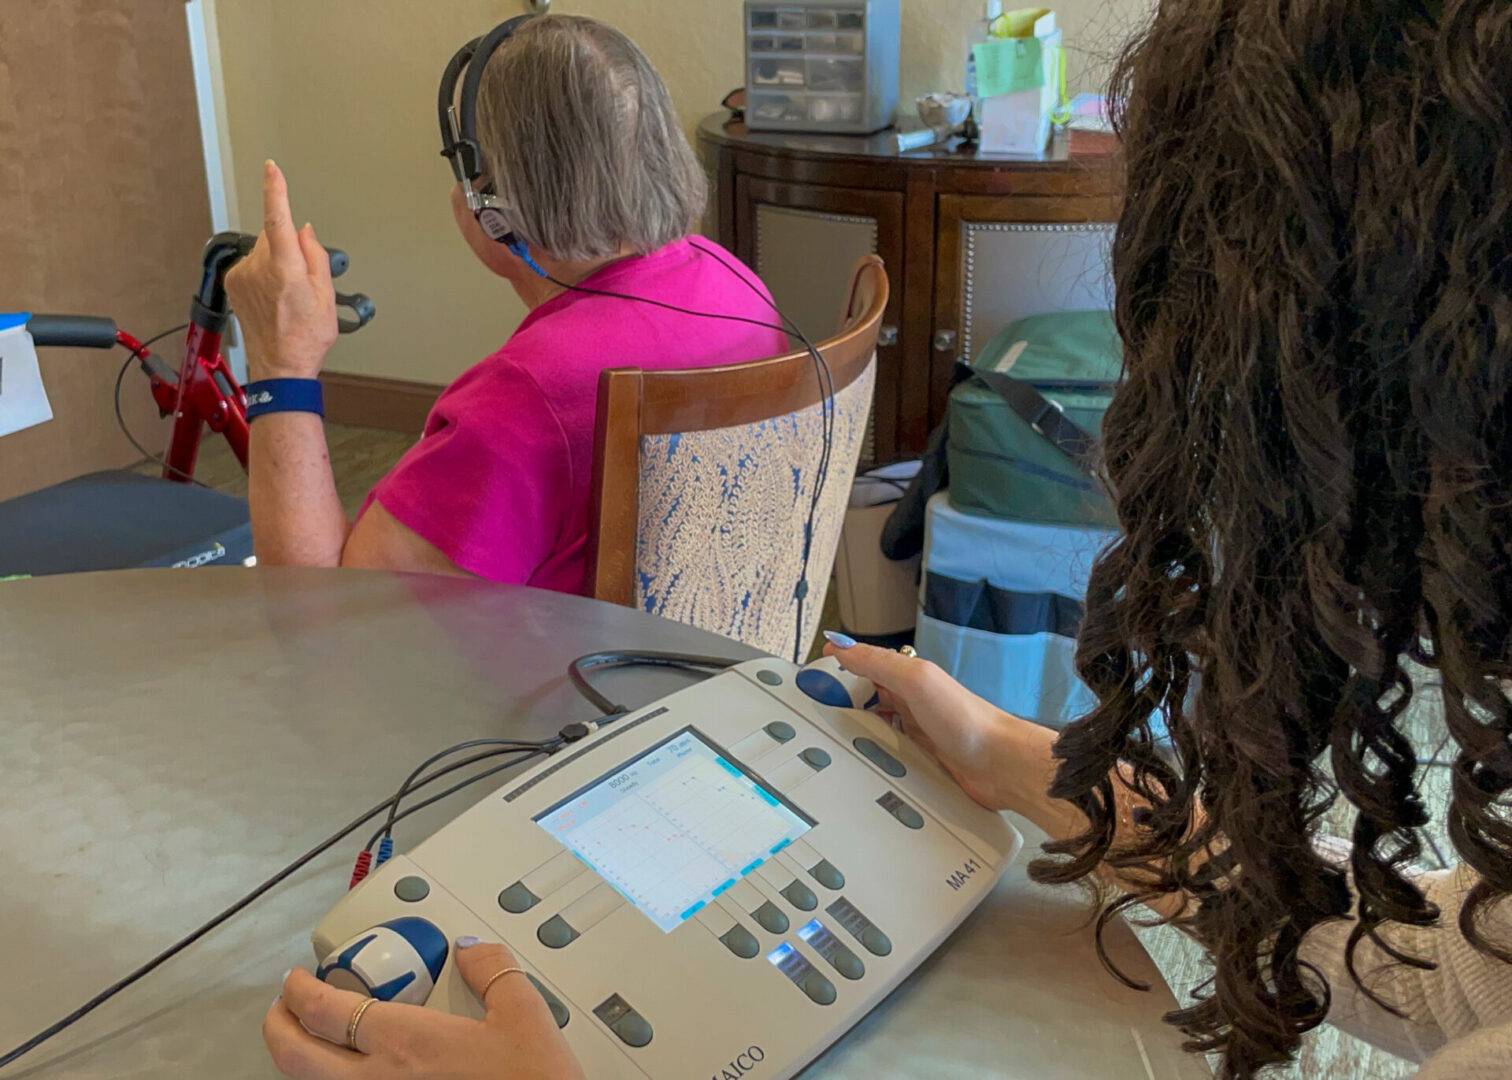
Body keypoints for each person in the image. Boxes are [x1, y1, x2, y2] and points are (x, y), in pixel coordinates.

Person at [262, 0, 1512, 1077]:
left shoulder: (519, 394)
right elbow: (1454, 963)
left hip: (519, 739)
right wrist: (1036, 768)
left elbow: (327, 632)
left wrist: (285, 373)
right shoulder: (723, 277)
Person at [226, 15, 786, 590]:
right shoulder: (735, 282)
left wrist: (282, 363)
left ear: (488, 204)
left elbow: (329, 616)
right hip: (708, 660)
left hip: (557, 676)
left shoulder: (525, 398)